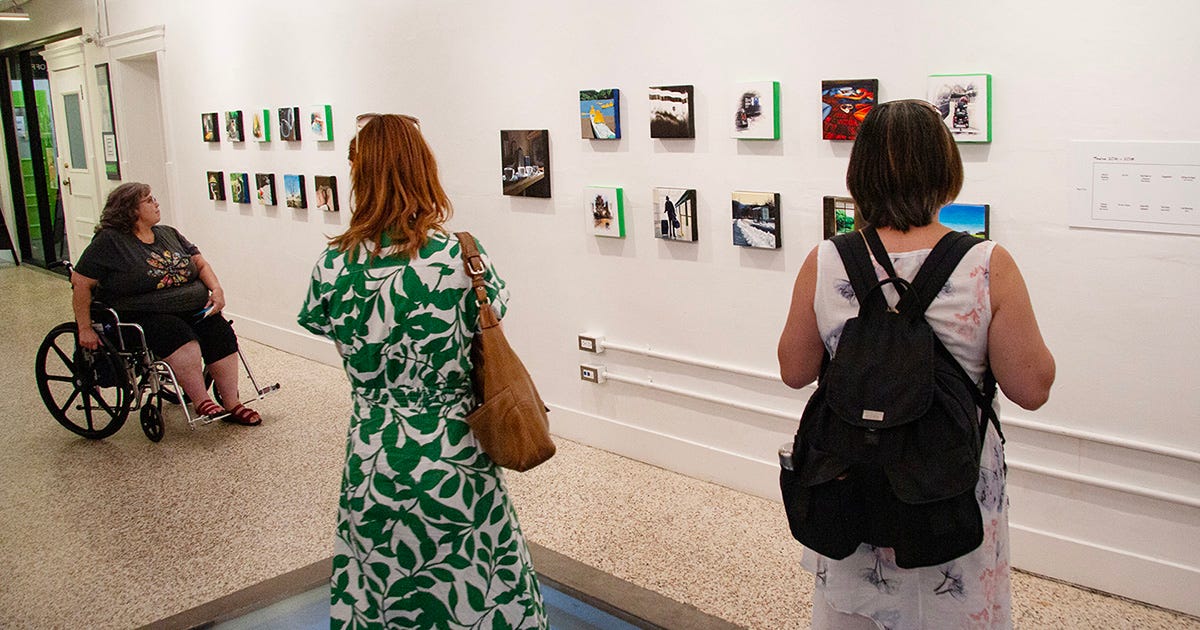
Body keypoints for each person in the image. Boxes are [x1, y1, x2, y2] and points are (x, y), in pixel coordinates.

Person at [777, 100, 1055, 629]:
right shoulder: (986, 263)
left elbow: (794, 369)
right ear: (947, 171)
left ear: (860, 175)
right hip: (946, 485)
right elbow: (1032, 387)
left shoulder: (828, 259)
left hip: (853, 476)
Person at [297, 114, 547, 629]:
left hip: (374, 453)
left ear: (358, 175)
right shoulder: (462, 258)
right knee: (475, 579)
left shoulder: (331, 265)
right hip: (453, 451)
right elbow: (493, 320)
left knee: (382, 584)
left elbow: (321, 323)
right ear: (424, 170)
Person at [71, 182, 261, 425]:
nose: (156, 203)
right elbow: (81, 284)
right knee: (177, 334)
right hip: (142, 315)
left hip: (191, 308)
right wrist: (84, 328)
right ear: (131, 210)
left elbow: (200, 263)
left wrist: (216, 290)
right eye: (149, 200)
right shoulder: (110, 242)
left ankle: (232, 403)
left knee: (219, 331)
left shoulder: (168, 234)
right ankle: (201, 400)